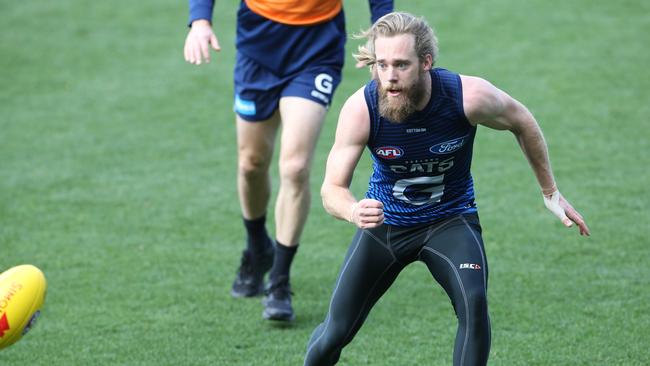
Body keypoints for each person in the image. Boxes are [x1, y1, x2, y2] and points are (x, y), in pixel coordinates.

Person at [303, 11, 590, 365]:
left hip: (450, 221)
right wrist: (351, 210)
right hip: (386, 225)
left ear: (426, 62)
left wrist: (550, 192)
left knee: (474, 303)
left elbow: (522, 120)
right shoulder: (362, 108)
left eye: (401, 65)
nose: (389, 77)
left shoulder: (468, 96)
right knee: (335, 331)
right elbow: (332, 188)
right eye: (381, 64)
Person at [183, 0, 394, 322]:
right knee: (251, 163)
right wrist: (200, 20)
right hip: (259, 41)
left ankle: (279, 279)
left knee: (295, 168)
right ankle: (257, 247)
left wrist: (380, 25)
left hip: (317, 46)